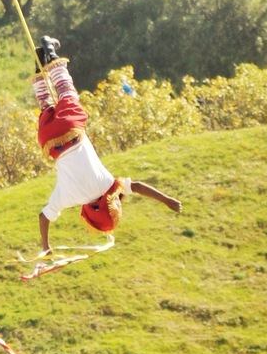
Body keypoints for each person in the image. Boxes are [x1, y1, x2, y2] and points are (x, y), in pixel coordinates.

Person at [31, 36, 179, 253]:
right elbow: (43, 218)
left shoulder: (108, 185)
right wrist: (46, 247)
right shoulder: (67, 198)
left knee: (66, 91)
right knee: (46, 104)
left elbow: (137, 186)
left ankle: (50, 49)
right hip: (48, 141)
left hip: (71, 129)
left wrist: (167, 200)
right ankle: (39, 63)